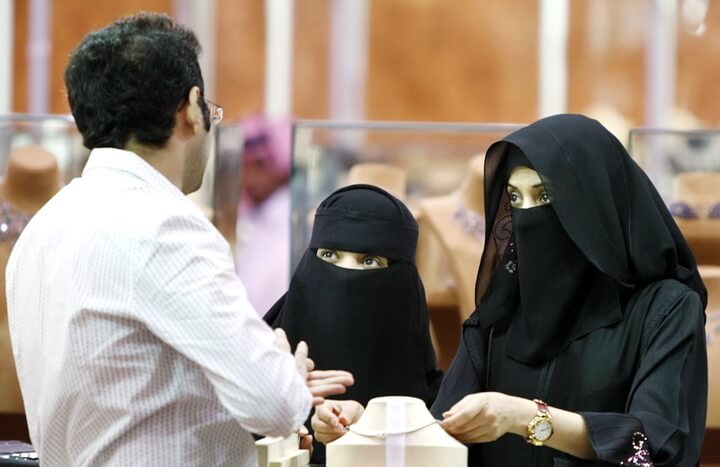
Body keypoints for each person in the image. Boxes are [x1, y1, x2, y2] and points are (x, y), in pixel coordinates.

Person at [5, 13, 351, 467]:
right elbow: (275, 406)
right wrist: (283, 372)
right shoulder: (168, 225)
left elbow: (132, 387)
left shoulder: (43, 229)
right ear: (191, 108)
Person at [312, 114, 708, 466]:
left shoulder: (665, 310)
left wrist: (526, 417)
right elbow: (443, 429)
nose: (528, 215)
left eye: (545, 195)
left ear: (594, 203)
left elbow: (652, 447)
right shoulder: (501, 316)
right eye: (516, 198)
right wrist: (363, 422)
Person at [266, 184, 444, 463]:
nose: (345, 274)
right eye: (329, 256)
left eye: (369, 261)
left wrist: (370, 430)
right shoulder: (262, 372)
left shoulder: (439, 412)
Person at [235, 114, 293, 315]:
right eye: (244, 165)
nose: (248, 177)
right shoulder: (253, 218)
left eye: (259, 165)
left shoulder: (292, 219)